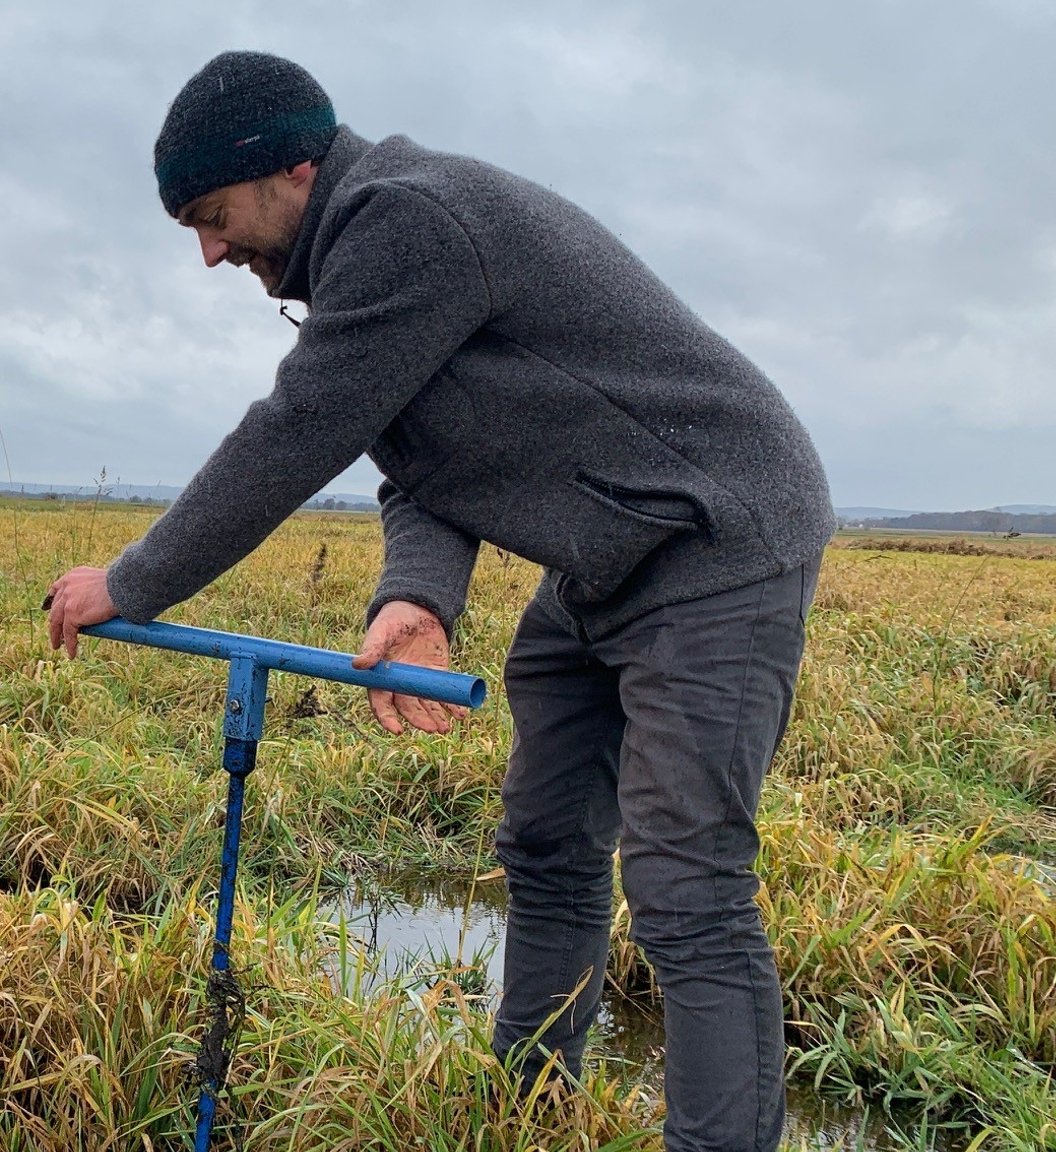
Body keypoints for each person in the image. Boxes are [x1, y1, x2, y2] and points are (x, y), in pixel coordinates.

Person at [43, 50, 832, 1152]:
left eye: (213, 218)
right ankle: (528, 1102)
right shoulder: (358, 262)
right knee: (546, 842)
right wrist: (416, 596)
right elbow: (417, 462)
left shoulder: (402, 221)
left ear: (291, 171)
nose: (212, 253)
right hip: (605, 559)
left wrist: (128, 581)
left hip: (715, 541)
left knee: (686, 885)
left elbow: (293, 434)